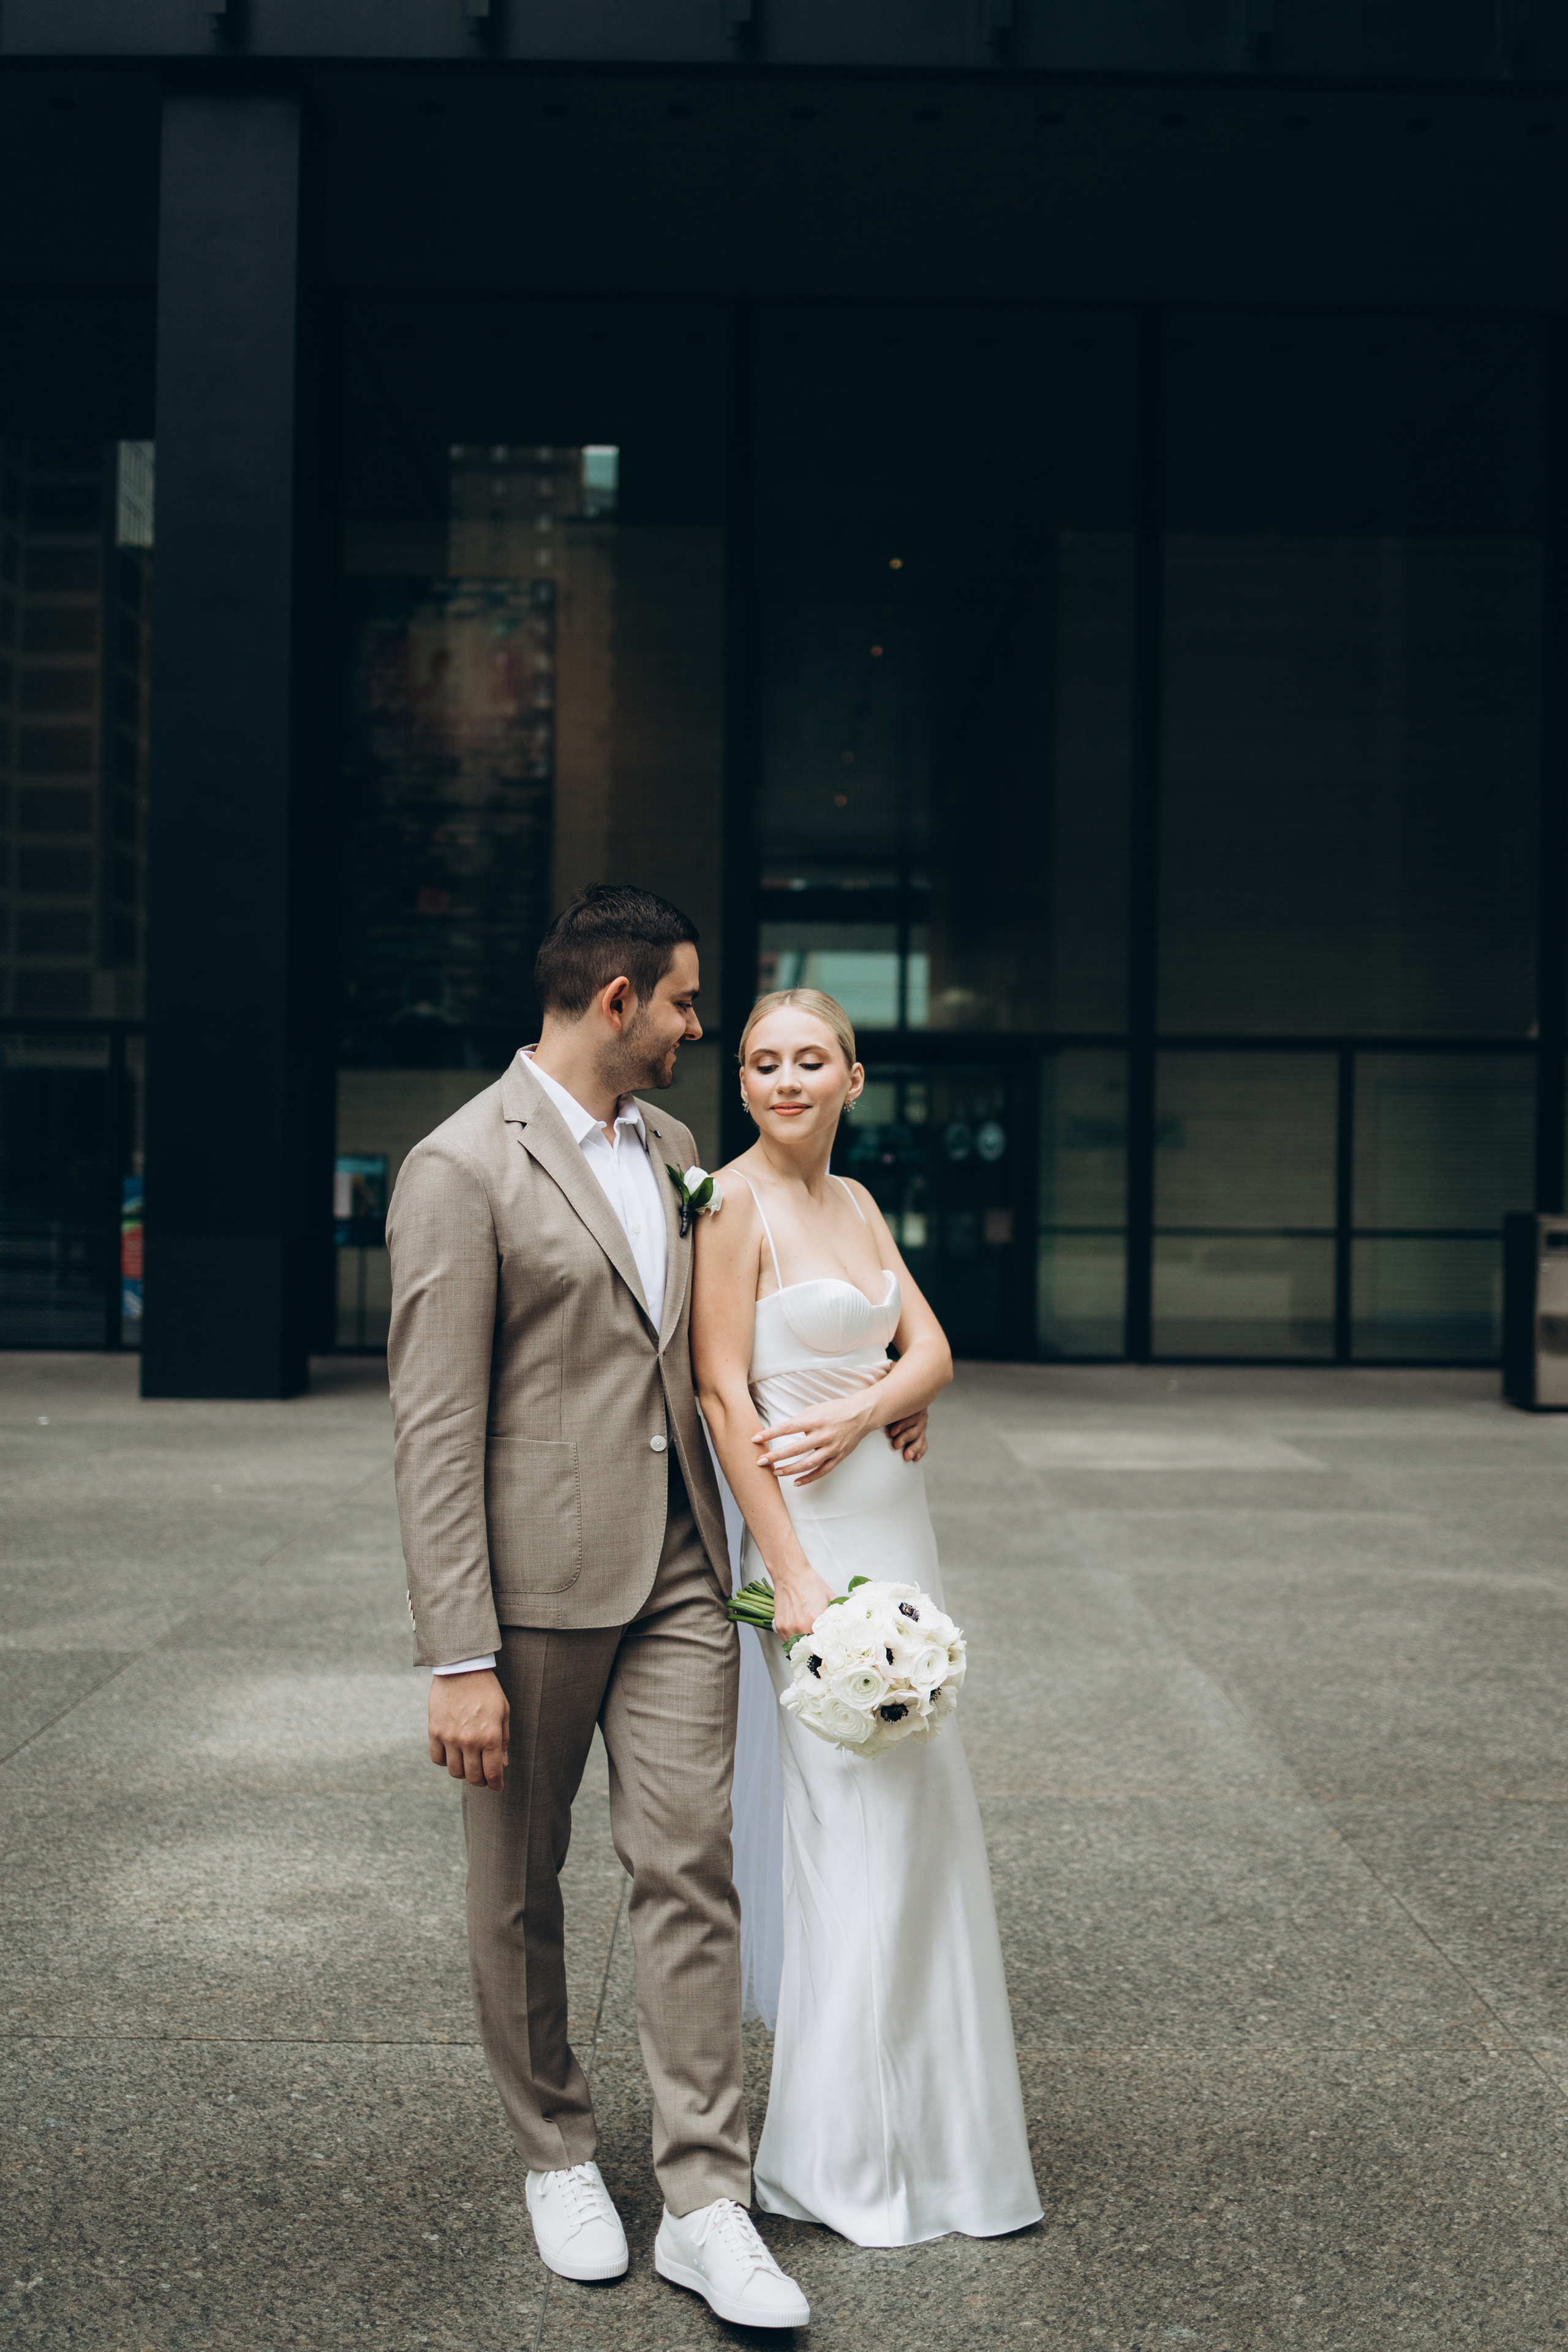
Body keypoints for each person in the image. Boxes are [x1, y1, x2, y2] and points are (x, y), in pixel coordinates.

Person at [383, 886, 809, 2331]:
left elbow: (707, 1351)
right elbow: (433, 1427)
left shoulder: (679, 1148)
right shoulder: (457, 1167)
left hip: (682, 1562)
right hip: (532, 1587)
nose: (704, 1026)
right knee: (518, 1882)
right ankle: (556, 2152)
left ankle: (704, 2199)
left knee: (690, 1861)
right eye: (688, 1002)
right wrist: (458, 1653)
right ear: (617, 1001)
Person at [692, 987, 1042, 2249]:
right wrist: (787, 1573)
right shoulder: (727, 1205)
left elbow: (934, 1347)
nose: (785, 1081)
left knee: (920, 1828)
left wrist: (869, 1403)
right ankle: (835, 2159)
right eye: (761, 1063)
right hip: (814, 1552)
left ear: (852, 1076)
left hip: (898, 1530)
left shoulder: (855, 1204)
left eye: (808, 1061)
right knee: (844, 1833)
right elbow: (724, 1398)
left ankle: (940, 2145)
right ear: (741, 1084)